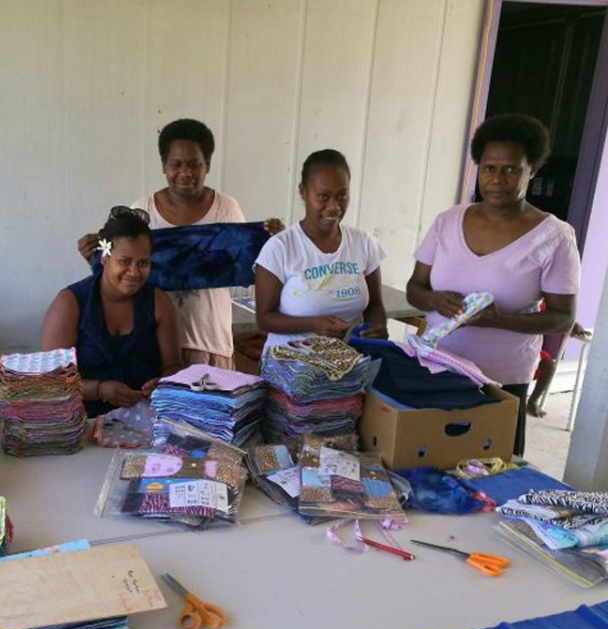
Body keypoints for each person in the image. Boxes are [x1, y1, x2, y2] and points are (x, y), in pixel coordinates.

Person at [406, 113, 581, 456]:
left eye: (511, 169)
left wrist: (498, 319)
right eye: (489, 168)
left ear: (534, 169)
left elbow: (562, 318)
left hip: (501, 380)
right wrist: (433, 300)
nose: (498, 180)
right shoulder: (448, 222)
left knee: (492, 473)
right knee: (428, 465)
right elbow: (415, 288)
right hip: (436, 368)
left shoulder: (554, 237)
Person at [77, 118, 285, 369]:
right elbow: (122, 279)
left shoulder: (226, 208)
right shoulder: (141, 211)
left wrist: (272, 244)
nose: (185, 173)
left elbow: (246, 271)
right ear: (164, 166)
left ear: (207, 165)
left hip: (210, 340)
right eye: (176, 164)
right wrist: (98, 257)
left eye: (194, 164)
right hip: (149, 342)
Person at [44, 206, 182, 417]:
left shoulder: (158, 303)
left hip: (145, 422)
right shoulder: (70, 304)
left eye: (143, 263)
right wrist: (99, 390)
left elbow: (173, 366)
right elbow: (51, 382)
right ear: (105, 258)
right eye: (125, 261)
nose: (134, 272)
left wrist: (164, 383)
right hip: (81, 425)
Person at [253, 149, 388, 351]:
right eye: (323, 197)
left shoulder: (363, 242)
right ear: (303, 192)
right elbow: (264, 319)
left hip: (348, 367)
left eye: (342, 195)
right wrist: (312, 324)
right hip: (291, 368)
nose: (334, 207)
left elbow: (375, 306)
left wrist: (378, 327)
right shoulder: (280, 247)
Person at [527, 322, 591, 418]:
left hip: (531, 351)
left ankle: (532, 401)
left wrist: (575, 325)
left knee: (549, 366)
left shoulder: (542, 307)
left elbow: (560, 318)